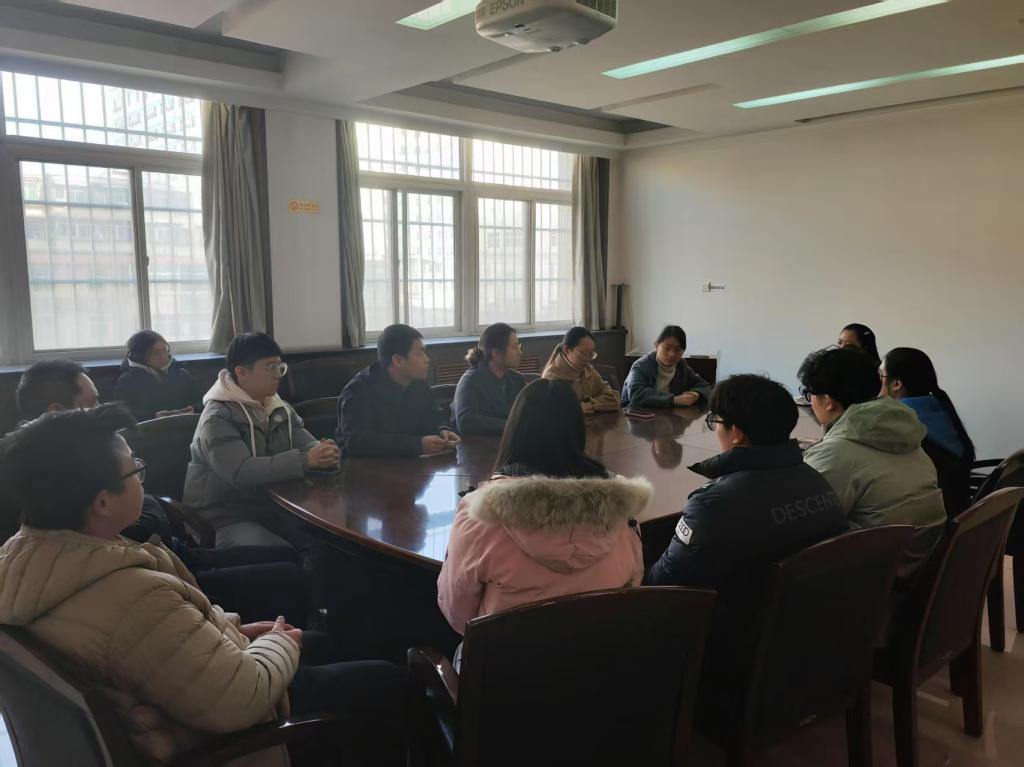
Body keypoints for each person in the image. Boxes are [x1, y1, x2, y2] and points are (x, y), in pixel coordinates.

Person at [0, 405, 408, 767]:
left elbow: (158, 641)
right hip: (225, 734)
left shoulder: (32, 560)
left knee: (323, 643)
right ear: (102, 502)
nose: (142, 477)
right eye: (135, 469)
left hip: (178, 698)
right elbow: (240, 700)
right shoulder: (129, 594)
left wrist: (232, 629)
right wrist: (278, 641)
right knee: (385, 678)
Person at [4, 359, 313, 625]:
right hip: (154, 574)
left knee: (286, 556)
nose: (100, 410)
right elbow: (133, 530)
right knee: (287, 577)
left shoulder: (83, 453)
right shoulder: (47, 477)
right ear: (56, 412)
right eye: (93, 403)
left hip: (172, 555)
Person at [437, 379, 647, 638]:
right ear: (578, 431)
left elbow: (457, 613)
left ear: (514, 430)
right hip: (601, 657)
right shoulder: (620, 509)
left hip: (507, 660)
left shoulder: (481, 515)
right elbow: (634, 582)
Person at [647, 374, 847, 589]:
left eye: (715, 421)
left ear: (736, 433)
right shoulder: (816, 480)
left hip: (734, 608)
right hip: (804, 604)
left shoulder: (712, 505)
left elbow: (663, 582)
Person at [799, 347, 945, 579]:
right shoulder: (904, 433)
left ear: (827, 400)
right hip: (920, 564)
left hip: (872, 580)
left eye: (809, 394)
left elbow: (802, 526)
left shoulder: (835, 452)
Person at [184, 333, 340, 548]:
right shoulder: (217, 417)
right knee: (281, 550)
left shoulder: (277, 406)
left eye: (279, 366)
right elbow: (241, 472)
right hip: (222, 517)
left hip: (268, 508)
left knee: (324, 540)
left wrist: (324, 452)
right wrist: (307, 460)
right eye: (270, 367)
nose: (278, 375)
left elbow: (304, 441)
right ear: (241, 372)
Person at [335, 324, 460, 457]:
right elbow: (358, 442)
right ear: (398, 360)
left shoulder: (417, 383)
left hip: (413, 465)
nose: (427, 359)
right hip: (366, 467)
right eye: (419, 353)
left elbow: (432, 416)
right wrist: (416, 445)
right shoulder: (358, 390)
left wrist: (441, 431)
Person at [881, 347, 976, 516]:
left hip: (932, 518)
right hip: (956, 511)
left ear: (896, 383)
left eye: (881, 376)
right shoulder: (937, 408)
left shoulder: (899, 422)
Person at [453, 323, 527, 436]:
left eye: (519, 346)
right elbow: (466, 422)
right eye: (514, 347)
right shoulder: (470, 381)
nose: (520, 352)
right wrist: (511, 425)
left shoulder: (517, 379)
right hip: (478, 445)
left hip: (508, 442)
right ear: (495, 353)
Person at [113, 330, 202, 421]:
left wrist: (194, 410)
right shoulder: (127, 381)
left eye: (165, 350)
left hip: (186, 424)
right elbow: (124, 415)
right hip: (150, 428)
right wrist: (153, 417)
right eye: (156, 353)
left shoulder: (181, 373)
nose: (163, 356)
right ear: (140, 355)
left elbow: (202, 400)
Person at [620, 325, 711, 409]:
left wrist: (696, 394)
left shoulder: (681, 365)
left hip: (668, 416)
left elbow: (704, 385)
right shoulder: (641, 366)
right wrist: (674, 400)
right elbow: (636, 394)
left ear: (682, 352)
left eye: (677, 350)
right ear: (657, 346)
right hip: (636, 415)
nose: (672, 354)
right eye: (667, 348)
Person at [541, 326, 619, 414]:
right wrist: (597, 404)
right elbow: (560, 411)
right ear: (566, 350)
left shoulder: (588, 370)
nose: (587, 359)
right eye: (583, 353)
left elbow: (613, 399)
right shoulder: (552, 377)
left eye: (591, 354)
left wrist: (587, 406)